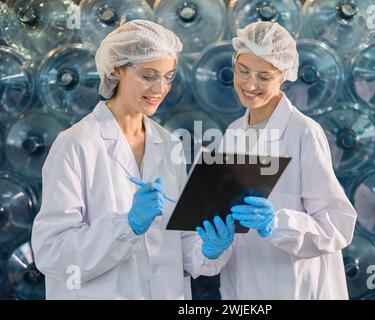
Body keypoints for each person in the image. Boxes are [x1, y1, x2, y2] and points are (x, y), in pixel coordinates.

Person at [31, 20, 234, 300]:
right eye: (148, 75)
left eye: (168, 76)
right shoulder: (76, 144)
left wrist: (208, 248)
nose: (160, 88)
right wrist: (127, 225)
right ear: (117, 69)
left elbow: (177, 244)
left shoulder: (168, 144)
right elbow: (51, 252)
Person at [218, 21, 358, 299]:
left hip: (295, 284)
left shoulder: (303, 131)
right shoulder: (233, 132)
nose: (250, 84)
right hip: (242, 284)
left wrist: (278, 223)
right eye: (243, 71)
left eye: (264, 76)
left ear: (283, 76)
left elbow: (338, 223)